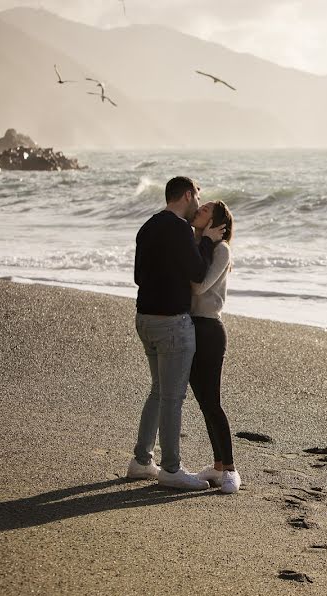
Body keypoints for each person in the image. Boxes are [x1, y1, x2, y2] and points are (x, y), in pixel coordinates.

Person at [126, 176, 225, 490]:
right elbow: (197, 274)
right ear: (186, 195)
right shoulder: (181, 229)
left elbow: (138, 276)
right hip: (172, 322)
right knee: (172, 397)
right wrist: (207, 241)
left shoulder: (148, 226)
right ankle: (171, 468)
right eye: (198, 195)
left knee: (158, 391)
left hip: (145, 319)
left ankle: (142, 461)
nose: (198, 201)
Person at [187, 201, 241, 494]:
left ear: (216, 223)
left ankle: (231, 469)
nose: (198, 210)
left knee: (213, 401)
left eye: (205, 210)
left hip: (208, 329)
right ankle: (218, 466)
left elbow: (199, 286)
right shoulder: (195, 243)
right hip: (187, 326)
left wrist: (205, 243)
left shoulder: (220, 250)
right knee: (202, 402)